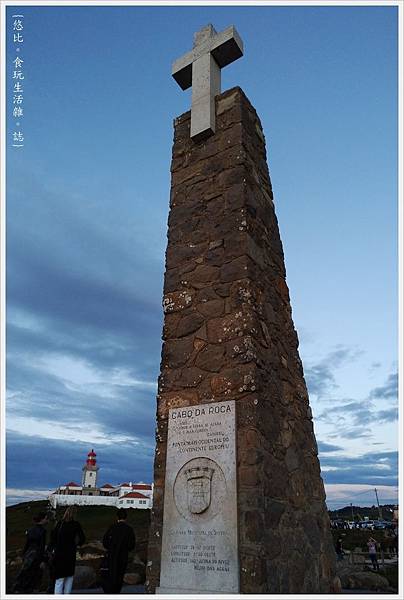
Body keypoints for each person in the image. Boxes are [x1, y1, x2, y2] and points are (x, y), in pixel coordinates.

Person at [49, 506, 85, 594]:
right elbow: (82, 538)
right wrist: (76, 544)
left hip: (59, 553)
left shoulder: (59, 524)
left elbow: (53, 538)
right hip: (70, 553)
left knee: (59, 580)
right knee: (69, 578)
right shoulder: (76, 524)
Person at [13, 511, 48, 593]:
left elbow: (27, 544)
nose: (47, 520)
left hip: (29, 555)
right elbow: (41, 547)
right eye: (46, 518)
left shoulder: (30, 530)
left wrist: (23, 554)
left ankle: (19, 589)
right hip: (37, 557)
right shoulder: (43, 531)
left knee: (25, 574)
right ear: (42, 519)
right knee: (34, 578)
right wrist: (42, 560)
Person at [102, 508, 136, 593]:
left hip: (112, 555)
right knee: (119, 577)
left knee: (111, 575)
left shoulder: (112, 527)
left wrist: (110, 548)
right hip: (123, 556)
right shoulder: (129, 529)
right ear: (126, 517)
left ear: (117, 517)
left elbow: (105, 541)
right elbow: (132, 545)